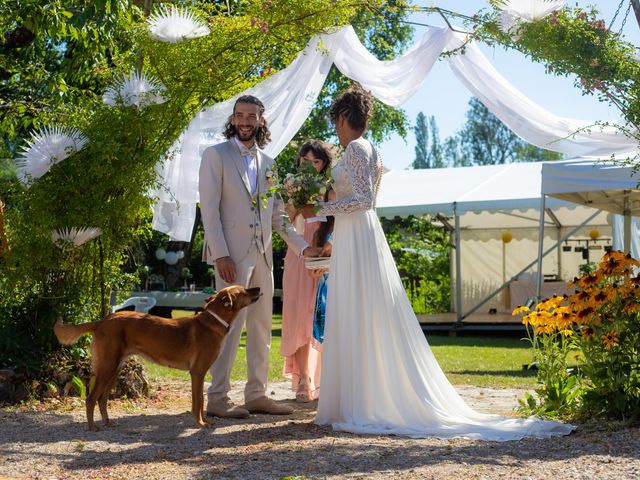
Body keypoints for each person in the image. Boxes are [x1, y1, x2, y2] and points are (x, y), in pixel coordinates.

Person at [298, 84, 575, 440]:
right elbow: (369, 199)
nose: (335, 127)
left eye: (336, 119)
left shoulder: (354, 148)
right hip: (361, 235)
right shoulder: (374, 151)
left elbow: (365, 200)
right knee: (363, 310)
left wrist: (319, 209)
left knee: (359, 309)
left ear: (344, 117)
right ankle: (357, 396)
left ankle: (359, 400)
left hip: (358, 232)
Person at [199, 95, 310, 419]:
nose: (245, 121)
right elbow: (209, 210)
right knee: (227, 327)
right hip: (231, 256)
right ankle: (218, 396)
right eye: (240, 115)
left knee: (262, 327)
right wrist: (220, 254)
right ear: (232, 119)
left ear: (261, 120)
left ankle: (256, 393)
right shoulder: (215, 155)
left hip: (262, 257)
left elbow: (278, 217)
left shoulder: (270, 164)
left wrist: (303, 247)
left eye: (252, 116)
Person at [281, 140, 334, 403]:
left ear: (324, 164)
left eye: (316, 161)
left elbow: (338, 222)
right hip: (298, 256)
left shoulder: (331, 190)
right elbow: (283, 224)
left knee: (324, 317)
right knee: (298, 316)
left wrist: (327, 249)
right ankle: (303, 379)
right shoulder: (289, 188)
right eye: (306, 161)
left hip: (326, 254)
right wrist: (297, 205)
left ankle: (328, 380)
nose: (311, 166)